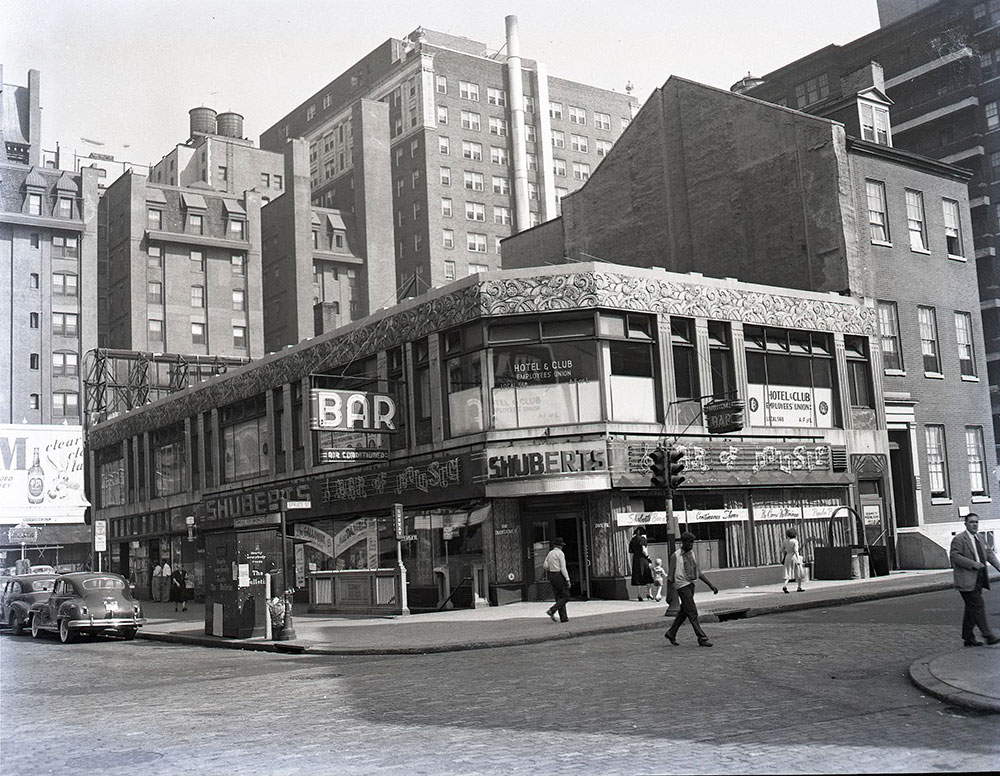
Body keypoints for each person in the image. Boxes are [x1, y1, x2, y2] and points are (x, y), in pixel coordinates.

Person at [949, 513, 1000, 647]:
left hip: (979, 578)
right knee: (977, 606)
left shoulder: (980, 538)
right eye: (971, 522)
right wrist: (972, 564)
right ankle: (988, 635)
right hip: (966, 579)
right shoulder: (959, 539)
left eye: (976, 522)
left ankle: (968, 637)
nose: (974, 525)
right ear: (965, 524)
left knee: (971, 609)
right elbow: (955, 556)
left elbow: (990, 555)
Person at [665, 531, 719, 647]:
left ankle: (671, 632)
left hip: (690, 584)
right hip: (681, 586)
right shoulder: (675, 556)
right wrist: (669, 594)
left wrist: (710, 585)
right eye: (689, 543)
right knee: (692, 612)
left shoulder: (692, 554)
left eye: (692, 543)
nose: (691, 545)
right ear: (683, 542)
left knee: (684, 612)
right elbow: (670, 577)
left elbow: (697, 571)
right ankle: (702, 637)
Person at [543, 537, 572, 623]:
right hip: (559, 574)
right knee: (566, 596)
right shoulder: (560, 553)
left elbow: (545, 565)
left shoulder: (550, 553)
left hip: (551, 575)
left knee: (559, 596)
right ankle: (552, 610)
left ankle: (564, 617)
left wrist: (550, 567)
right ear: (560, 546)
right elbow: (563, 568)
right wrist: (567, 579)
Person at [628, 527, 654, 601]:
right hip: (643, 559)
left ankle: (639, 595)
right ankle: (649, 593)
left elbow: (631, 552)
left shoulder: (632, 540)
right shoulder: (642, 539)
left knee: (638, 577)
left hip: (636, 560)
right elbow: (644, 550)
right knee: (648, 575)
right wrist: (648, 557)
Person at [781, 528, 805, 594]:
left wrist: (786, 552)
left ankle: (785, 585)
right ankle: (799, 587)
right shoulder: (795, 541)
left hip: (787, 557)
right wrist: (798, 559)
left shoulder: (785, 541)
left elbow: (781, 550)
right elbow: (796, 551)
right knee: (798, 571)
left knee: (787, 571)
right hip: (794, 556)